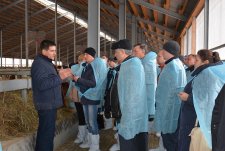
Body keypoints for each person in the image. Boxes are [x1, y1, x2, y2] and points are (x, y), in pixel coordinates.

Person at [31, 40, 72, 151]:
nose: (54, 53)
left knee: (45, 133)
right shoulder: (39, 64)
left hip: (49, 103)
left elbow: (48, 79)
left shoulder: (46, 63)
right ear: (44, 51)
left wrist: (59, 74)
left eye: (55, 51)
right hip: (46, 104)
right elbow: (42, 84)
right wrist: (60, 77)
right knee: (47, 135)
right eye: (52, 51)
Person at [178, 49, 221, 151]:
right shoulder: (202, 73)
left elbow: (207, 101)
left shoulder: (207, 76)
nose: (194, 62)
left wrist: (188, 98)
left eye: (196, 60)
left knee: (189, 145)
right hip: (191, 117)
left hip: (194, 119)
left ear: (205, 62)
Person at [111, 39, 149, 151]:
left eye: (116, 52)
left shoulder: (132, 65)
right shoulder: (128, 64)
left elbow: (132, 94)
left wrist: (126, 114)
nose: (115, 55)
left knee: (130, 140)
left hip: (130, 113)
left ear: (122, 52)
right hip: (126, 111)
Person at [154, 40, 187, 151]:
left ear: (168, 51)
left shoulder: (172, 67)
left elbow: (169, 92)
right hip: (172, 107)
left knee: (170, 139)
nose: (162, 52)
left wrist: (164, 111)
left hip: (169, 109)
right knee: (171, 137)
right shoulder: (175, 64)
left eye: (163, 49)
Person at [73, 47, 107, 151]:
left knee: (92, 121)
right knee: (88, 121)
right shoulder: (87, 66)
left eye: (86, 55)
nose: (84, 57)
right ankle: (89, 142)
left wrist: (78, 79)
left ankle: (95, 146)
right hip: (86, 96)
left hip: (92, 97)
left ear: (90, 55)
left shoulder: (95, 66)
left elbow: (93, 83)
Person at [132, 43, 157, 121]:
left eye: (136, 51)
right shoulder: (143, 61)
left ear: (143, 51)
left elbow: (150, 85)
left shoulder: (148, 63)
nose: (133, 53)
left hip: (147, 104)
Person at [66, 54, 87, 144]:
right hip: (76, 93)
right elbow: (71, 80)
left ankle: (86, 136)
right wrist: (70, 92)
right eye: (79, 60)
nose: (80, 62)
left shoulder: (88, 68)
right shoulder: (74, 68)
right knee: (81, 115)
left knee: (86, 116)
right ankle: (81, 136)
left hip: (86, 94)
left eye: (82, 61)